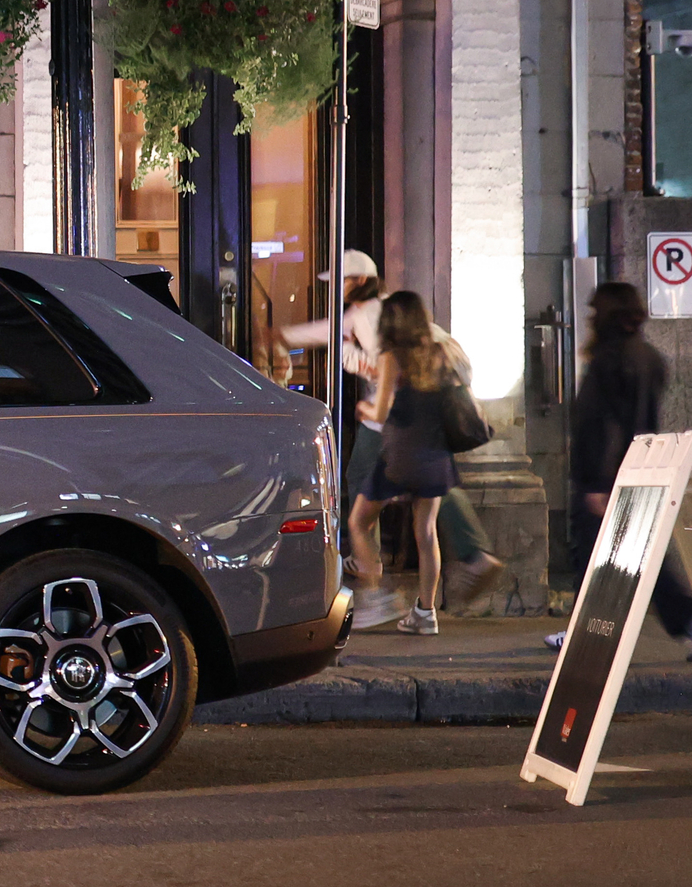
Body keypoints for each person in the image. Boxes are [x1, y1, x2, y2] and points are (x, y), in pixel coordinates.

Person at [289, 250, 505, 610]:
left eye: (341, 281)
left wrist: (359, 391)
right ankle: (427, 606)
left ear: (358, 280)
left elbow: (382, 373)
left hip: (395, 427)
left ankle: (372, 575)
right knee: (429, 511)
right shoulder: (394, 313)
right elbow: (331, 335)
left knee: (364, 490)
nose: (336, 289)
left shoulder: (370, 315)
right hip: (423, 428)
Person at [548, 281, 692, 652]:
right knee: (651, 560)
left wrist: (595, 482)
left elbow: (598, 425)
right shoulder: (650, 357)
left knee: (591, 556)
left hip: (606, 476)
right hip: (643, 466)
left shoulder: (607, 361)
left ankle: (584, 633)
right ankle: (686, 621)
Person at [347, 290, 456, 633]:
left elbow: (380, 412)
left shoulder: (392, 357)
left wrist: (362, 408)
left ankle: (377, 594)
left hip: (400, 457)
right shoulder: (440, 352)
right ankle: (426, 613)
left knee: (358, 523)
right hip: (436, 454)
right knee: (425, 533)